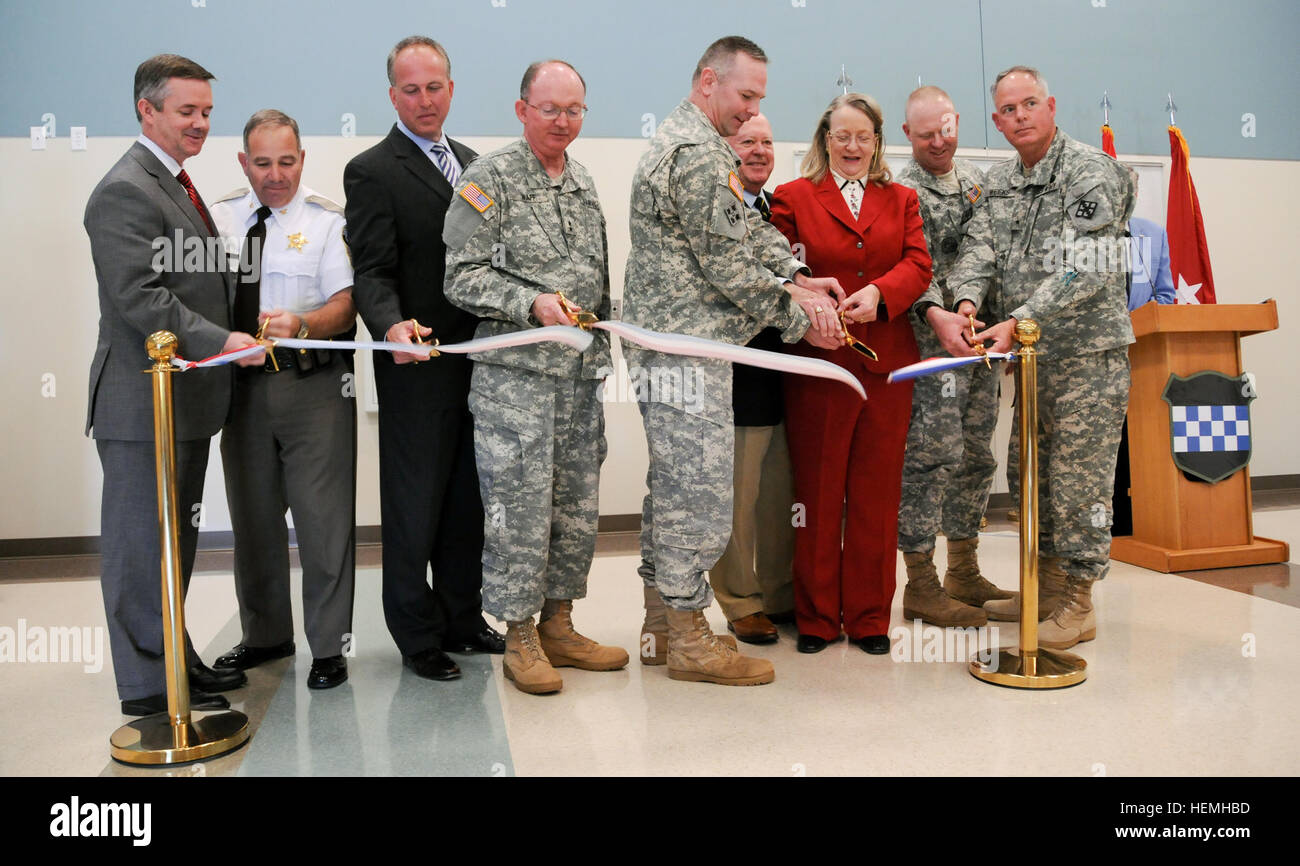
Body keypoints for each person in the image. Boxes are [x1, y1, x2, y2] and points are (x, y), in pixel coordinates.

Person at [624, 35, 844, 686]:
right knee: (698, 497)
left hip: (680, 344)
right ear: (707, 81)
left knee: (671, 491)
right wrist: (804, 318)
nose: (752, 113)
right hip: (685, 346)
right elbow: (726, 266)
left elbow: (747, 232)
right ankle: (690, 636)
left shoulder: (697, 145)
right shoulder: (695, 151)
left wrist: (799, 275)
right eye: (745, 96)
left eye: (759, 101)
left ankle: (662, 625)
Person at [84, 54, 263, 716]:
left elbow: (201, 283)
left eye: (207, 112)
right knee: (140, 549)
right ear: (147, 110)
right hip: (140, 405)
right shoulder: (125, 189)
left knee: (174, 543)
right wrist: (221, 342)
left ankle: (174, 658)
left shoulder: (178, 184)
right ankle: (146, 686)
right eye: (186, 111)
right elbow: (141, 297)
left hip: (182, 401)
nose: (200, 123)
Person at [443, 60, 628, 695]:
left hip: (578, 381)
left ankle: (559, 623)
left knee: (574, 510)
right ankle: (518, 634)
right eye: (549, 109)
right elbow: (459, 277)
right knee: (519, 512)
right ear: (522, 109)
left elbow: (596, 283)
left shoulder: (583, 180)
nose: (562, 121)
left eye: (574, 110)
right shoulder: (487, 178)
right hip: (514, 385)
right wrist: (532, 302)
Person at [950, 66, 1136, 649]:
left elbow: (1090, 263)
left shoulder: (1087, 172)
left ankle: (1079, 602)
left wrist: (1019, 320)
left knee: (1080, 480)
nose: (1019, 116)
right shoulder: (1001, 183)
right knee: (1033, 476)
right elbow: (978, 247)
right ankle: (1047, 589)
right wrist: (967, 300)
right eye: (1007, 109)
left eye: (1028, 103)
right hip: (1030, 362)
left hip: (1086, 357)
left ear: (1051, 105)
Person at [344, 36, 503, 683]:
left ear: (451, 89)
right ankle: (417, 634)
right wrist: (388, 325)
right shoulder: (372, 170)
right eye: (411, 90)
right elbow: (371, 270)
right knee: (415, 505)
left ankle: (463, 618)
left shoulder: (474, 166)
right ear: (392, 96)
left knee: (467, 500)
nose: (425, 100)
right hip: (416, 368)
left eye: (434, 87)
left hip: (479, 367)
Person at [770, 92, 932, 655]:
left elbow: (918, 265)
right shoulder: (790, 198)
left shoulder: (904, 197)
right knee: (815, 492)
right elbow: (781, 266)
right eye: (842, 136)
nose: (853, 146)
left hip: (887, 365)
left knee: (875, 493)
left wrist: (880, 294)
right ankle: (815, 618)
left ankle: (869, 618)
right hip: (818, 365)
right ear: (825, 140)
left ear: (878, 142)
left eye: (864, 136)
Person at [209, 110, 358, 690]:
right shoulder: (219, 219)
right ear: (244, 163)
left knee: (324, 524)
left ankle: (329, 648)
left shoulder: (325, 221)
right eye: (263, 163)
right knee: (253, 522)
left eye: (287, 162)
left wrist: (302, 322)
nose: (276, 175)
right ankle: (265, 636)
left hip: (313, 385)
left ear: (303, 159)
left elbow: (346, 304)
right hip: (240, 389)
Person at [895, 86, 1014, 627]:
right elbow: (902, 266)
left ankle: (963, 570)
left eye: (947, 130)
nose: (939, 142)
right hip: (929, 348)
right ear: (907, 136)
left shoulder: (979, 186)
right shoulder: (899, 191)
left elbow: (993, 256)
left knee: (975, 455)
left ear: (958, 121)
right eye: (926, 135)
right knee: (929, 458)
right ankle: (921, 582)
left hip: (981, 348)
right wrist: (935, 313)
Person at [710, 112, 797, 644]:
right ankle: (741, 602)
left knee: (777, 495)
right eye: (748, 142)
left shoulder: (779, 209)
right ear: (725, 149)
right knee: (736, 499)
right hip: (736, 371)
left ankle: (780, 592)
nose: (760, 151)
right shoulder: (717, 207)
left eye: (767, 142)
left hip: (787, 371)